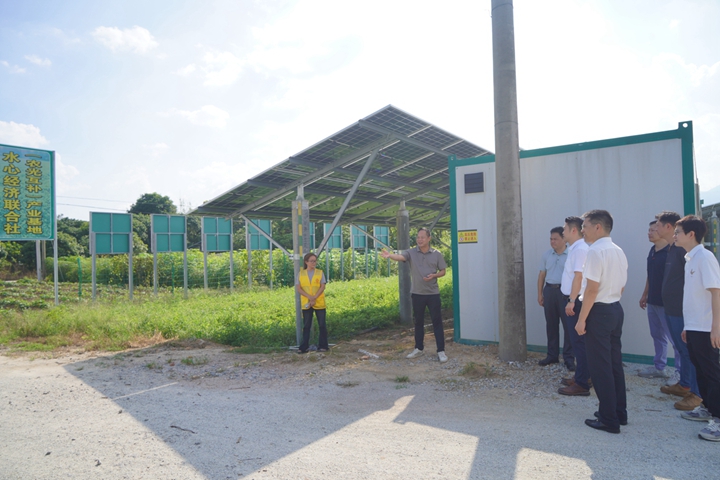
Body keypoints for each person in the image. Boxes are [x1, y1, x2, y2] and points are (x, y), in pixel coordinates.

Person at [575, 209, 628, 434]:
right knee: (614, 364)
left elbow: (591, 290)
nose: (582, 230)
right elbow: (621, 286)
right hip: (614, 308)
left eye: (585, 226)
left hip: (598, 312)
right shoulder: (618, 250)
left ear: (598, 227)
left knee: (600, 367)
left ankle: (608, 419)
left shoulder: (596, 251)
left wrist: (582, 319)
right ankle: (619, 412)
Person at [672, 215, 720, 442]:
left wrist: (716, 326)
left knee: (712, 373)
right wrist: (688, 326)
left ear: (691, 234)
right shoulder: (690, 258)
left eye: (678, 232)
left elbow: (716, 291)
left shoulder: (705, 257)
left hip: (706, 328)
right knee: (700, 371)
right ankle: (708, 408)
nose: (674, 236)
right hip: (694, 327)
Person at [655, 211, 702, 411]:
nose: (655, 228)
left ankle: (697, 394)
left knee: (689, 352)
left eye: (658, 225)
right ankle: (685, 385)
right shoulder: (672, 248)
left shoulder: (686, 252)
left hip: (682, 311)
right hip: (671, 308)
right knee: (682, 350)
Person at [381, 228, 448, 363]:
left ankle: (441, 351)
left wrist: (434, 276)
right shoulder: (411, 252)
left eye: (422, 237)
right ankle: (418, 348)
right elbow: (401, 257)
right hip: (417, 293)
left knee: (437, 322)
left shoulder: (436, 254)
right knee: (418, 322)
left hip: (433, 294)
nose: (419, 240)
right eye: (418, 237)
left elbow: (443, 271)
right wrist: (390, 256)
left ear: (429, 238)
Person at [638, 220, 678, 379]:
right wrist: (645, 294)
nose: (649, 233)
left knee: (675, 340)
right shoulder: (652, 251)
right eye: (649, 230)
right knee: (657, 335)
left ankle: (680, 374)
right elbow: (650, 275)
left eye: (653, 230)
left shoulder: (672, 251)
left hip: (667, 304)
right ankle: (659, 367)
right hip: (652, 301)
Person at [557, 216, 591, 396]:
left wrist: (571, 300)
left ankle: (582, 383)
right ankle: (582, 376)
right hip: (572, 299)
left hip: (575, 301)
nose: (562, 232)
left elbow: (579, 277)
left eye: (565, 229)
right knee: (578, 341)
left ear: (574, 230)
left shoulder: (580, 250)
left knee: (579, 343)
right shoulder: (575, 248)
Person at [537, 226, 573, 368]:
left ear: (564, 239)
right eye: (551, 239)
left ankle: (569, 358)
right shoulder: (546, 255)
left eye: (555, 239)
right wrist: (540, 294)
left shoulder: (572, 254)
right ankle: (552, 355)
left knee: (568, 326)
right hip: (550, 291)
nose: (552, 242)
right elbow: (541, 275)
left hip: (565, 293)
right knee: (551, 325)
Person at [295, 252, 328, 354]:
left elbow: (322, 286)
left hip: (319, 302)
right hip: (307, 303)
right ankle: (304, 346)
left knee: (322, 325)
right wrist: (310, 297)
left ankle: (323, 345)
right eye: (312, 261)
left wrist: (314, 297)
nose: (314, 263)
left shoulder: (320, 272)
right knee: (306, 326)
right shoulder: (301, 274)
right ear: (306, 262)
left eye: (315, 261)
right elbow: (299, 288)